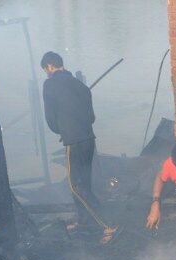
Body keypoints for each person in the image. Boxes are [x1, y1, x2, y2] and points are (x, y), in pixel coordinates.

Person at [41, 51, 118, 243]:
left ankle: (109, 224)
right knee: (84, 183)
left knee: (76, 186)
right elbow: (91, 117)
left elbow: (50, 120)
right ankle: (84, 221)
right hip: (88, 140)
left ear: (50, 66)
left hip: (73, 141)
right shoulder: (80, 85)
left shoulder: (49, 84)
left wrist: (63, 130)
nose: (46, 73)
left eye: (45, 70)